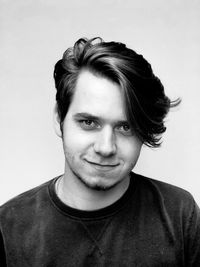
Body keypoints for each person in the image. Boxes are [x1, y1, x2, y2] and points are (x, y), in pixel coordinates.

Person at [0, 37, 200, 266]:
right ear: (59, 118)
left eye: (126, 127)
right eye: (88, 122)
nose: (106, 147)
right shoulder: (8, 226)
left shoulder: (180, 214)